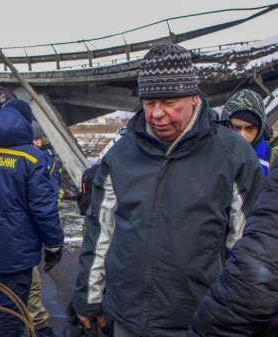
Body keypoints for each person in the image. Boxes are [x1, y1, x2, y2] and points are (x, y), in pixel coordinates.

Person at [70, 43, 266, 336]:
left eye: (167, 102)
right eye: (149, 103)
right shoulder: (120, 156)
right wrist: (89, 299)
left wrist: (238, 316)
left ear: (193, 97)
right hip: (127, 318)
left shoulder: (233, 155)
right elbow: (101, 233)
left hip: (199, 321)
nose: (156, 114)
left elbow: (249, 246)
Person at [0, 99, 64, 337]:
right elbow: (43, 210)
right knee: (11, 315)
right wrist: (54, 245)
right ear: (25, 124)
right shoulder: (34, 159)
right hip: (16, 254)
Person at [187, 167, 278, 337]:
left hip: (201, 308)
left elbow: (258, 271)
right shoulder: (123, 151)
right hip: (127, 316)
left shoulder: (234, 152)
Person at [27, 121, 57, 337]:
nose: (37, 143)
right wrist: (54, 243)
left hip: (20, 234)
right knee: (32, 284)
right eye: (33, 139)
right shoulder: (34, 161)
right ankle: (39, 327)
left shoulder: (45, 159)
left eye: (39, 139)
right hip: (24, 236)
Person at [221, 89, 274, 175]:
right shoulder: (210, 154)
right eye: (236, 128)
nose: (242, 136)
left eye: (250, 129)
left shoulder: (272, 161)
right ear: (225, 126)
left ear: (259, 130)